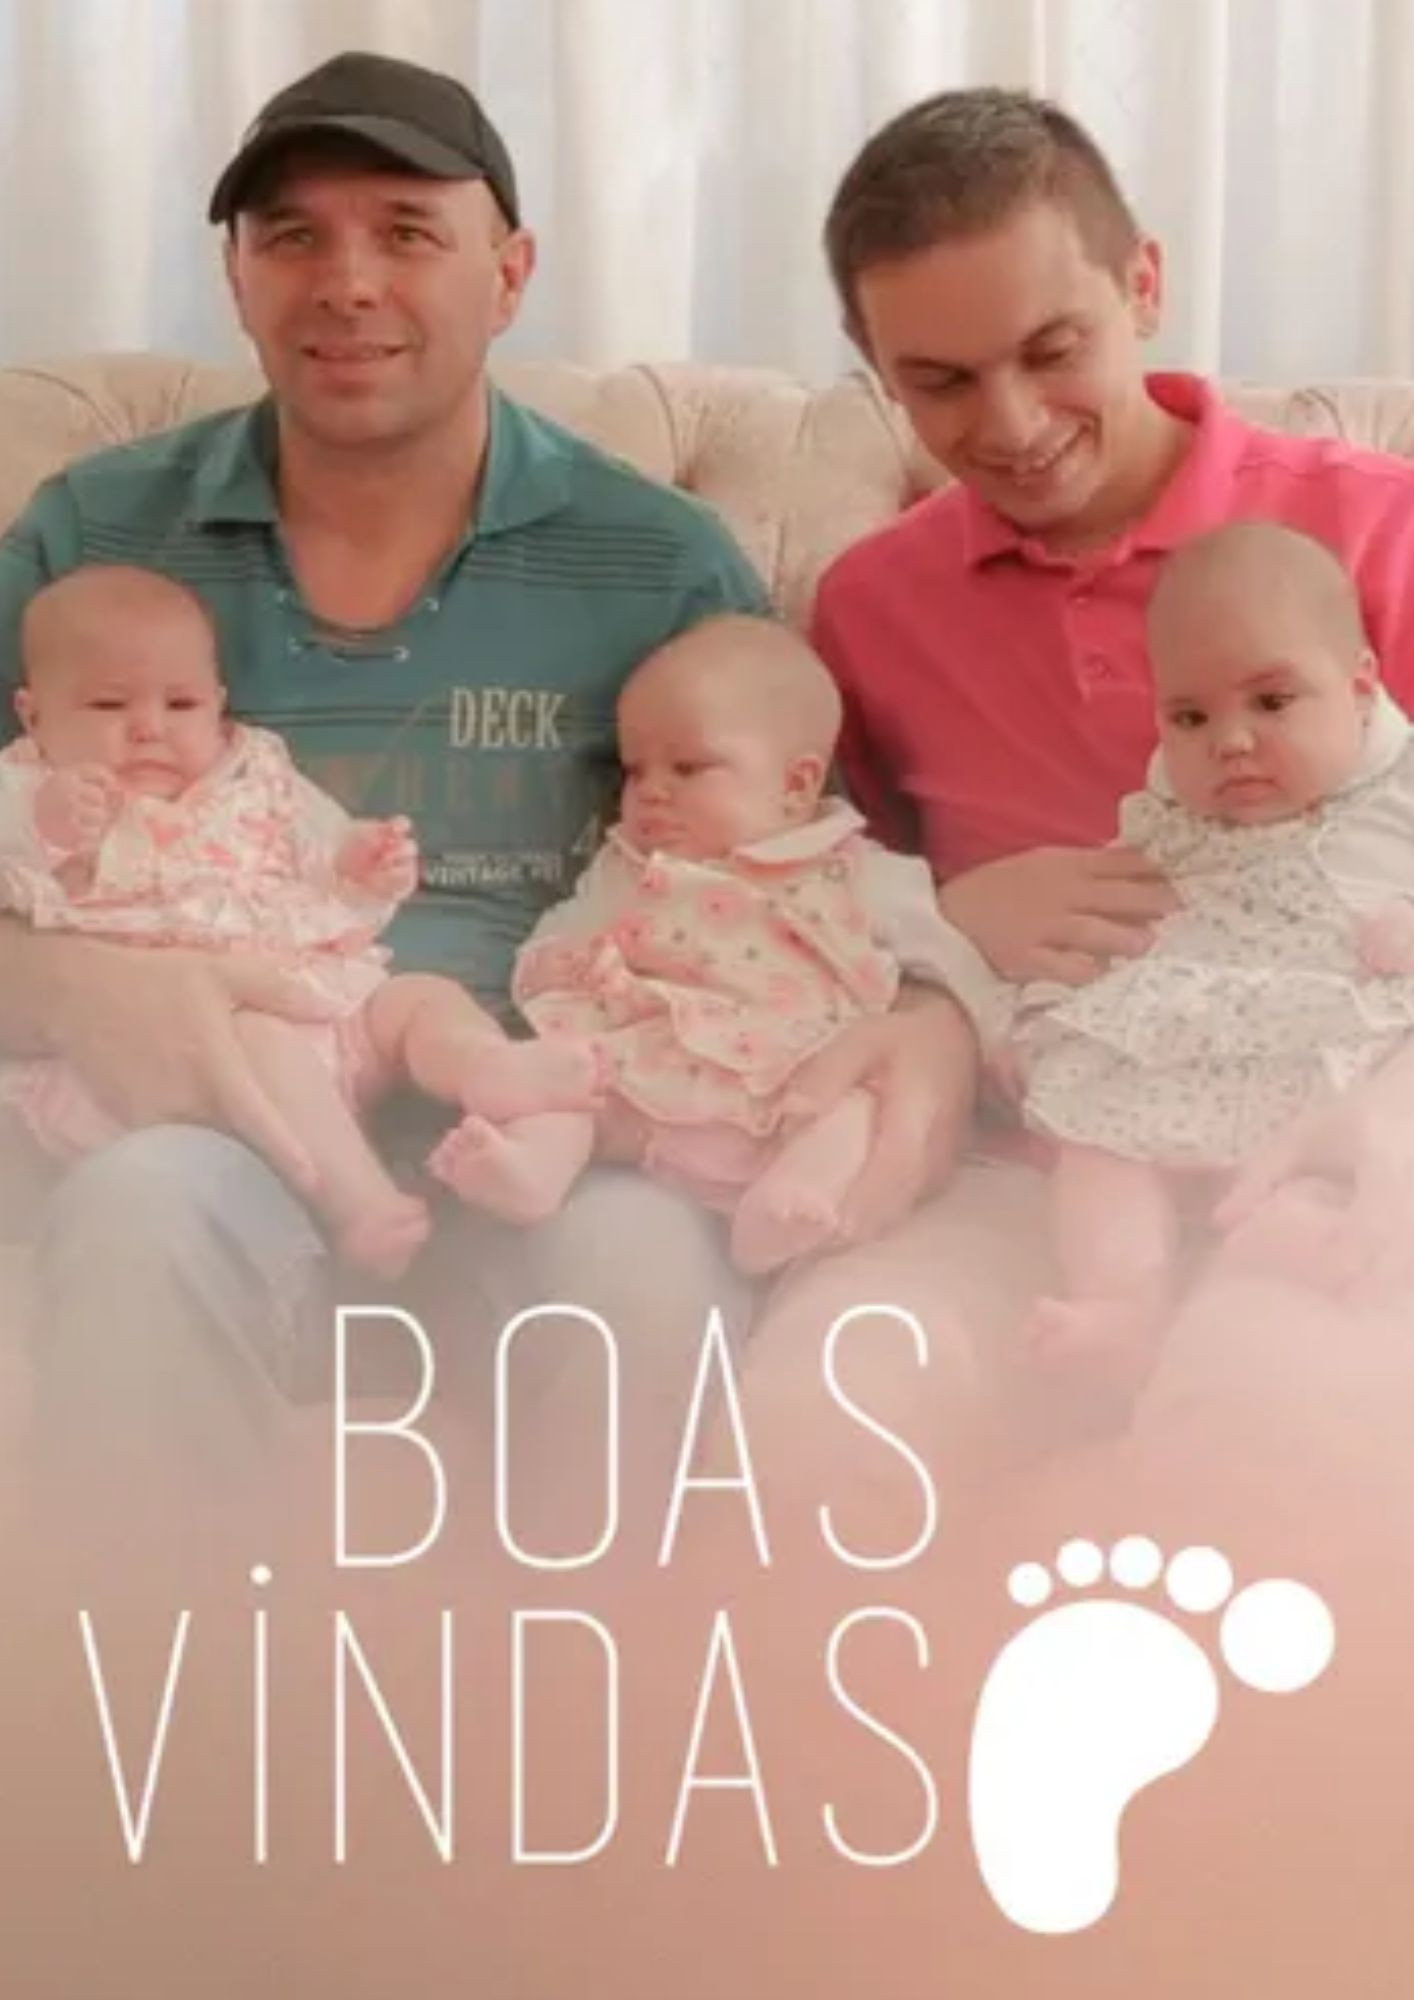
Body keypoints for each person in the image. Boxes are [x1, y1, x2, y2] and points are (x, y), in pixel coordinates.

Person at [0, 52, 969, 1526]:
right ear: (237, 276)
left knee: (639, 1277)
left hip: (563, 1108)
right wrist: (58, 976)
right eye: (292, 236)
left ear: (510, 274)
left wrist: (935, 1020)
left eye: (406, 231)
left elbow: (814, 858)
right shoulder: (99, 534)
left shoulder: (657, 561)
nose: (346, 282)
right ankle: (155, 1664)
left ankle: (596, 1669)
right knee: (141, 1217)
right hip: (224, 1105)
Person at [0, 563, 602, 1275]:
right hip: (192, 1054)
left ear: (219, 705)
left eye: (182, 703)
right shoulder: (28, 786)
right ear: (34, 715)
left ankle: (488, 1072)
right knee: (257, 1037)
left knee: (420, 999)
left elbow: (319, 846)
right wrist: (42, 826)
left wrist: (359, 862)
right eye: (108, 705)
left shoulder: (253, 772)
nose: (148, 729)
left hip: (321, 1008)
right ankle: (361, 1205)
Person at [944, 522, 1414, 1367]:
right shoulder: (1169, 821)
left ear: (1359, 686)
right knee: (1099, 1152)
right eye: (1190, 717)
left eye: (1272, 703)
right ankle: (1122, 1301)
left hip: (1334, 1052)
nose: (1229, 742)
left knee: (1316, 1188)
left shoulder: (1399, 795)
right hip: (1186, 1046)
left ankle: (1283, 1260)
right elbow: (1104, 918)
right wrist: (1045, 1006)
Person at [444, 615, 980, 1272]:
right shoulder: (627, 869)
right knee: (566, 1080)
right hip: (639, 1077)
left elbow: (950, 967)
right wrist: (559, 961)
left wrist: (980, 1035)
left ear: (796, 785)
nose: (650, 793)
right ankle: (533, 1170)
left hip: (785, 1091)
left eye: (688, 767)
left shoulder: (857, 872)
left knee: (857, 1109)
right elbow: (560, 930)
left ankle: (789, 1203)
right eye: (635, 771)